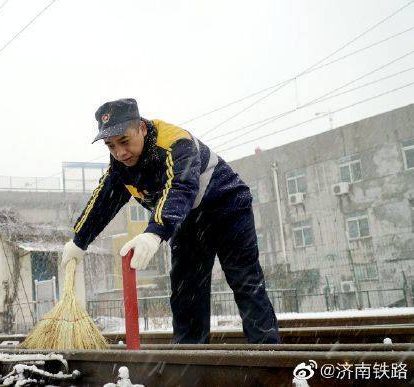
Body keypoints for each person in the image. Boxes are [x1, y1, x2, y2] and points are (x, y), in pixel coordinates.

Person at [61, 98, 280, 344]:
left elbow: (181, 187)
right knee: (187, 290)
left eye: (124, 141)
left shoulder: (176, 143)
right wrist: (79, 240)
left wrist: (155, 232)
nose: (120, 152)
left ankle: (268, 354)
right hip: (188, 219)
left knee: (245, 281)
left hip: (228, 207)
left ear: (142, 128)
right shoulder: (121, 167)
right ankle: (190, 361)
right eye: (111, 146)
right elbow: (104, 200)